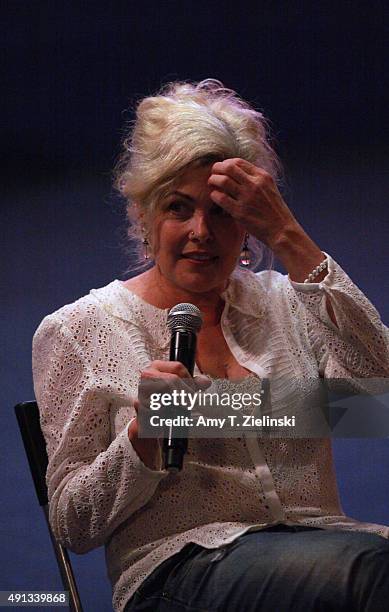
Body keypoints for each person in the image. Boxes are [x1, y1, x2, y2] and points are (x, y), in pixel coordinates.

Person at [32, 80, 389, 612]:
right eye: (179, 208)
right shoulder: (81, 329)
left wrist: (289, 234)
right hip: (180, 573)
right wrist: (141, 437)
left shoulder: (286, 302)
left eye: (223, 211)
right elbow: (73, 525)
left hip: (323, 547)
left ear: (250, 225)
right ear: (144, 218)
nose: (202, 230)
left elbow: (377, 398)